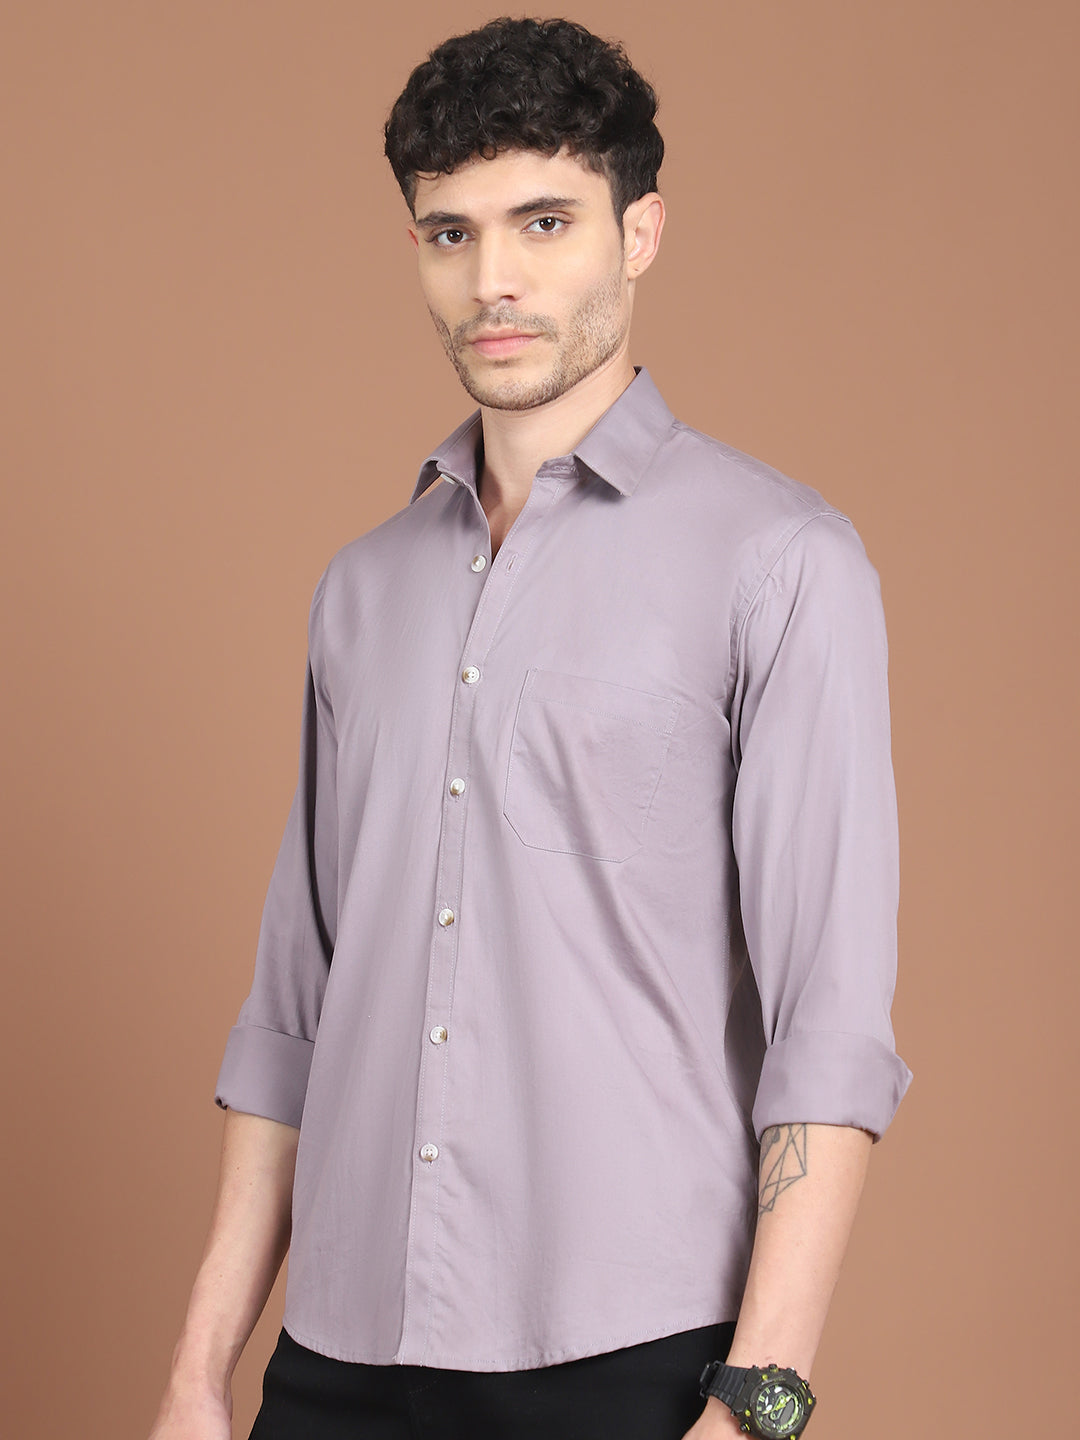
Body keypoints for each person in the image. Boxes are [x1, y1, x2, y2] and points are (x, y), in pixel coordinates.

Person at [148, 17, 911, 1440]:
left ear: (641, 234)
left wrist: (759, 1403)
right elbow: (293, 1013)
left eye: (544, 222)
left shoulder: (781, 562)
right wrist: (200, 1372)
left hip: (629, 1358)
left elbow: (828, 1029)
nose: (492, 279)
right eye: (452, 234)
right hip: (339, 1353)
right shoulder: (360, 590)